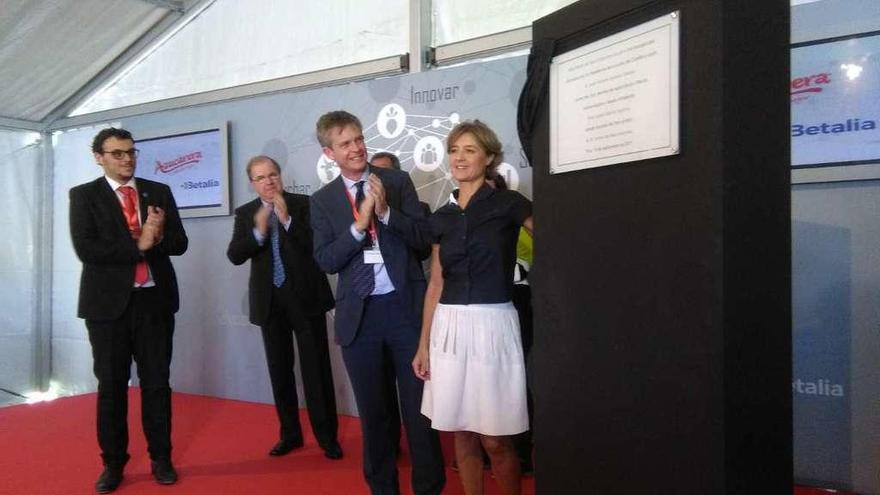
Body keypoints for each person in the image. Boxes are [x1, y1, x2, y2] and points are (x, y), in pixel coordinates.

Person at [310, 110, 445, 495]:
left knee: (420, 415)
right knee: (375, 416)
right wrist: (358, 226)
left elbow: (422, 241)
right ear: (328, 153)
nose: (355, 148)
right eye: (344, 144)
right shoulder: (322, 202)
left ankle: (429, 488)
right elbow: (325, 260)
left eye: (357, 139)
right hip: (360, 318)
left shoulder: (397, 182)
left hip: (406, 313)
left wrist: (384, 213)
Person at [413, 120, 533, 495]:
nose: (460, 158)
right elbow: (436, 282)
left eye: (470, 150)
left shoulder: (509, 204)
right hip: (448, 327)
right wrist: (423, 344)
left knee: (495, 439)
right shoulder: (442, 218)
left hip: (494, 325)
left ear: (490, 157)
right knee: (461, 433)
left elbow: (559, 241)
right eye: (454, 150)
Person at [69, 127, 188, 494]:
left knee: (157, 383)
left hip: (154, 302)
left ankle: (161, 458)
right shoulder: (84, 195)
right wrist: (142, 243)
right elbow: (87, 249)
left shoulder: (159, 191)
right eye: (117, 153)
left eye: (131, 152)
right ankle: (114, 464)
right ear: (99, 157)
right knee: (111, 387)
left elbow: (179, 244)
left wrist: (160, 233)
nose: (126, 159)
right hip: (107, 308)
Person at [226, 155, 342, 460]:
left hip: (306, 299)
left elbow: (318, 248)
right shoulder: (246, 213)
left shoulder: (305, 204)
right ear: (252, 183)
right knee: (280, 371)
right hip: (270, 303)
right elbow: (235, 255)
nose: (269, 181)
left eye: (273, 174)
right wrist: (258, 232)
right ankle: (290, 435)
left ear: (281, 175)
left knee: (316, 370)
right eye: (261, 177)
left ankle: (327, 437)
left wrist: (287, 220)